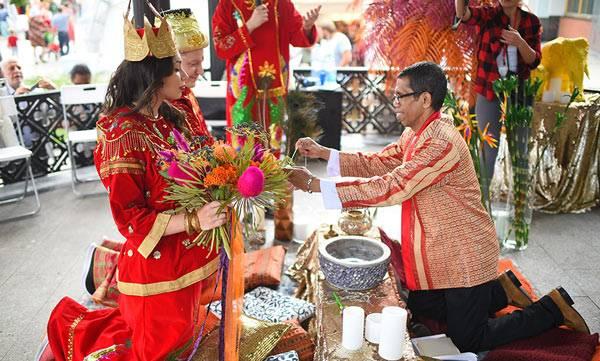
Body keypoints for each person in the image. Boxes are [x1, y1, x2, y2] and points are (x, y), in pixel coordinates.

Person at [288, 61, 589, 353]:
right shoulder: (416, 133)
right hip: (440, 249)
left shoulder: (440, 142)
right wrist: (325, 153)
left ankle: (552, 308)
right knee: (419, 307)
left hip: (463, 254)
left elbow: (392, 187)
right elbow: (380, 163)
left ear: (425, 99)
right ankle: (500, 291)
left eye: (400, 96)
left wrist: (315, 186)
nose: (394, 102)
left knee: (468, 339)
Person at [46, 12, 226, 360]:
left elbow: (203, 162)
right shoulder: (122, 134)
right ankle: (70, 324)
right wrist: (195, 220)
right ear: (154, 77)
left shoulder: (170, 116)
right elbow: (130, 219)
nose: (184, 73)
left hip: (184, 257)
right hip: (154, 268)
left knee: (188, 339)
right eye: (176, 67)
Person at [455, 0, 541, 198]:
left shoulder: (531, 21)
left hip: (519, 94)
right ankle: (482, 204)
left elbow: (534, 61)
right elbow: (463, 14)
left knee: (520, 152)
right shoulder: (488, 14)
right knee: (488, 150)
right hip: (488, 91)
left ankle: (520, 207)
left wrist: (519, 41)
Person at [212, 0, 320, 150]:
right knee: (242, 141)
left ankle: (272, 172)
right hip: (243, 86)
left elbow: (297, 36)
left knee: (272, 140)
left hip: (275, 86)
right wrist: (249, 26)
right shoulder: (228, 4)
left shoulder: (282, 3)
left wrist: (307, 27)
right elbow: (221, 47)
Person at [163, 8, 212, 142]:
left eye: (201, 62)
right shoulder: (160, 107)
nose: (201, 71)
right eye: (193, 64)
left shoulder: (186, 93)